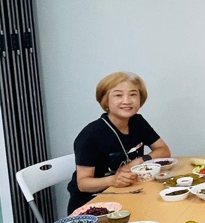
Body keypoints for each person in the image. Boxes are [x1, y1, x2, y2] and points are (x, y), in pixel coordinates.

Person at [66, 71, 171, 214]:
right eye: (118, 95)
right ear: (106, 101)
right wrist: (113, 180)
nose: (127, 101)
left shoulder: (137, 122)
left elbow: (163, 150)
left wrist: (137, 162)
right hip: (93, 206)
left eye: (133, 94)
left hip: (128, 193)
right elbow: (83, 184)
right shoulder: (90, 135)